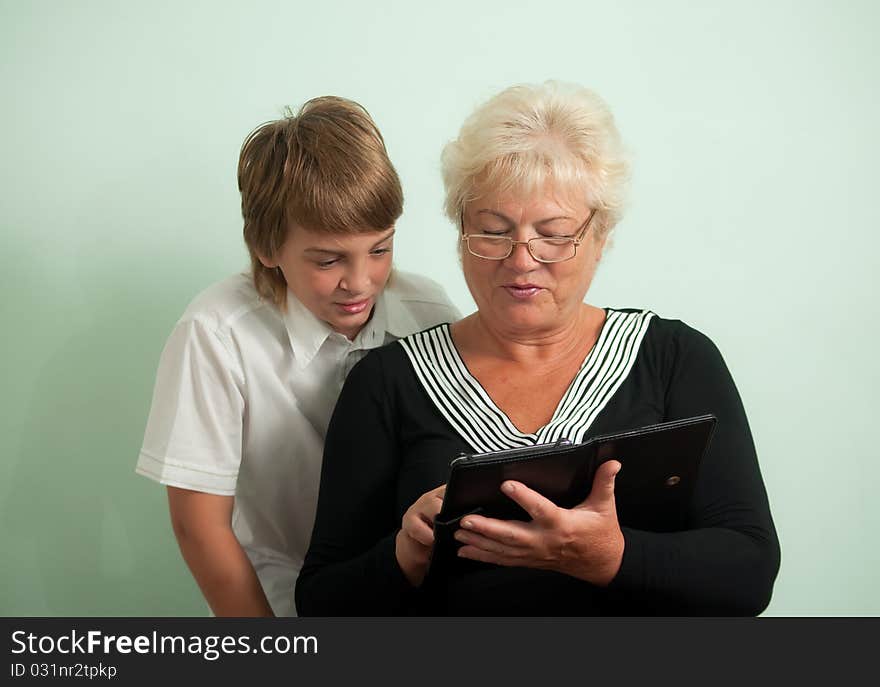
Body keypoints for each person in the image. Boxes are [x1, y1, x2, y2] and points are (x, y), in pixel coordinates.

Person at [295, 82, 781, 616]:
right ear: (460, 231)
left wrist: (610, 556)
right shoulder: (388, 381)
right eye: (492, 231)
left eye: (552, 234)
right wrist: (405, 553)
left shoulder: (675, 360)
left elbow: (749, 571)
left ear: (601, 235)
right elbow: (321, 601)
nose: (521, 260)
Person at [135, 96, 460, 616]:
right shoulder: (215, 335)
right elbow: (198, 525)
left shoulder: (428, 310)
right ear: (267, 247)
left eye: (380, 249)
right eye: (328, 260)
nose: (360, 282)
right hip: (283, 604)